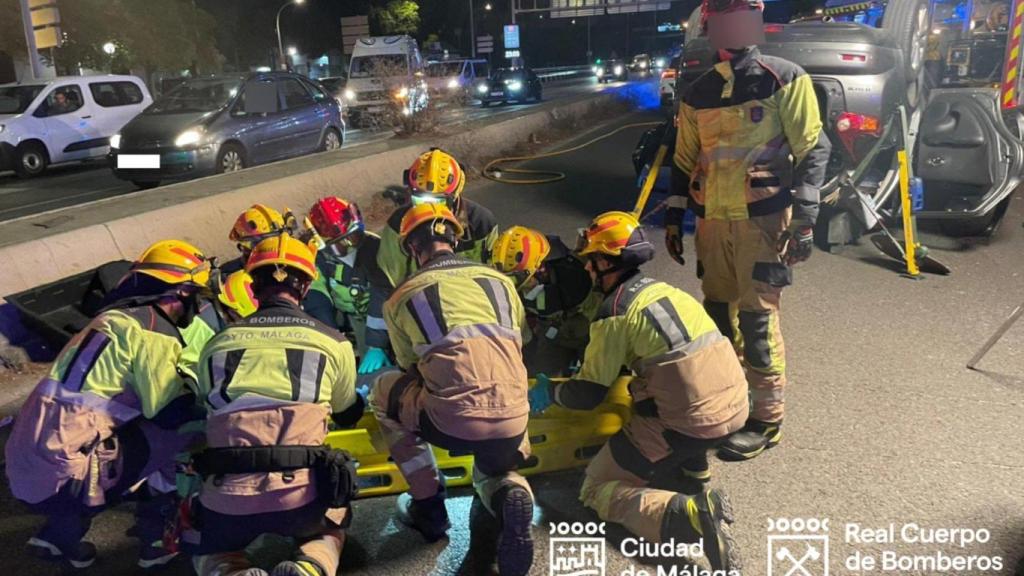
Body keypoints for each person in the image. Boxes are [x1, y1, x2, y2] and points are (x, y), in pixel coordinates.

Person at [528, 211, 749, 573]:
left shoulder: (613, 313)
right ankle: (693, 472)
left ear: (606, 261)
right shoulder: (665, 292)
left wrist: (548, 395)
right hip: (736, 405)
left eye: (591, 261)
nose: (586, 270)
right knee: (660, 388)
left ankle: (692, 514)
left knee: (596, 489)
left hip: (691, 422)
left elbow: (587, 394)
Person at [665, 0, 830, 460]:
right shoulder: (698, 91)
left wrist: (804, 219)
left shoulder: (784, 77)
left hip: (763, 218)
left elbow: (812, 149)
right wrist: (676, 218)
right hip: (713, 222)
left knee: (757, 321)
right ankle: (729, 401)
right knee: (717, 316)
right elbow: (684, 160)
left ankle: (767, 419)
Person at [5, 240, 212, 570]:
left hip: (23, 467)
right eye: (196, 294)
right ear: (182, 292)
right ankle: (156, 543)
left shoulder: (110, 321)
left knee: (115, 431)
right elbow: (171, 411)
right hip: (65, 478)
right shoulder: (154, 332)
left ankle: (60, 534)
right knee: (185, 436)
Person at [369, 203, 535, 576]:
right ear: (455, 238)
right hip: (514, 418)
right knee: (505, 381)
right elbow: (520, 342)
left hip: (450, 421)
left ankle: (428, 507)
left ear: (412, 247)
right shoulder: (501, 282)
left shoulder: (401, 297)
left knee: (384, 392)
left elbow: (408, 366)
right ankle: (510, 485)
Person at [188, 233, 361, 576]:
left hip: (228, 498)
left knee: (208, 547)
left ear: (252, 289)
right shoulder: (334, 342)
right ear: (306, 288)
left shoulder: (216, 345)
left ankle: (230, 569)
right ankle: (311, 566)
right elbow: (347, 411)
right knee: (332, 527)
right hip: (302, 498)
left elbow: (210, 409)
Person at [376, 148, 499, 289]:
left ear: (455, 195)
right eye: (420, 201)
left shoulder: (481, 223)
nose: (430, 209)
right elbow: (396, 278)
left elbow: (491, 273)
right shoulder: (397, 225)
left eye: (439, 202)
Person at [489, 225, 600, 374]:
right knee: (540, 373)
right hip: (552, 331)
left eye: (523, 280)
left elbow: (552, 304)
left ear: (540, 267)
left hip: (589, 332)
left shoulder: (577, 275)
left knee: (594, 376)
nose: (517, 286)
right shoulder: (524, 279)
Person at [303, 196, 393, 376]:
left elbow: (382, 292)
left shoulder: (376, 248)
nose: (350, 246)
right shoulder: (319, 259)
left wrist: (377, 344)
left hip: (388, 315)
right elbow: (316, 295)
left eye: (353, 237)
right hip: (355, 319)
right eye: (341, 244)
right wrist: (331, 335)